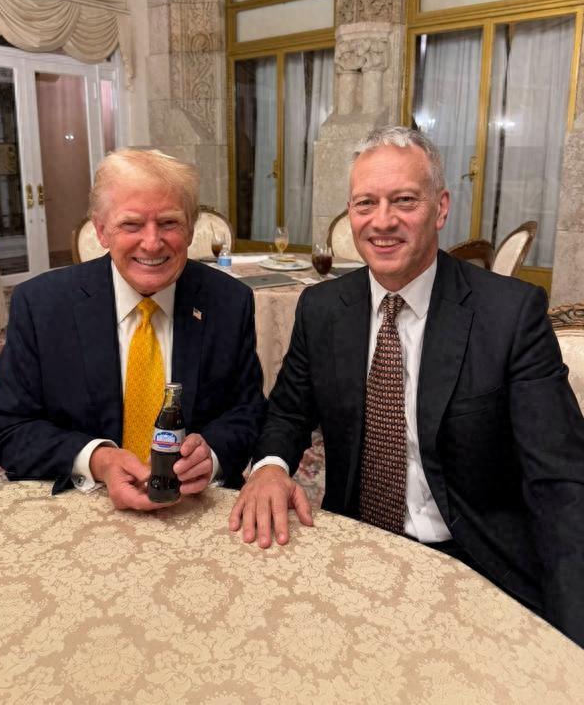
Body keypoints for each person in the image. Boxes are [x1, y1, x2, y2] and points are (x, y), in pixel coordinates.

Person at [229, 125, 584, 647]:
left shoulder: (508, 315)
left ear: (440, 208)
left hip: (475, 561)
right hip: (356, 546)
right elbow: (287, 412)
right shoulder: (323, 309)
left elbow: (560, 479)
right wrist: (269, 468)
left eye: (404, 200)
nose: (382, 221)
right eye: (365, 203)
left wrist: (572, 637)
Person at [0, 148, 265, 511]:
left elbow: (248, 413)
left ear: (191, 228)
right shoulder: (42, 306)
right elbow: (9, 428)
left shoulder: (228, 302)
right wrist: (96, 459)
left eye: (169, 223)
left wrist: (211, 454)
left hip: (193, 506)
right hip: (82, 505)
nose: (152, 242)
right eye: (131, 225)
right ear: (102, 230)